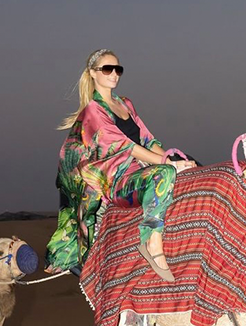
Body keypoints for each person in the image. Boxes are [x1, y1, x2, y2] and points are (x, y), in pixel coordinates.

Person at [45, 49, 195, 281]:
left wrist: (175, 160)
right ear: (93, 73)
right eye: (107, 69)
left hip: (141, 168)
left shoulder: (125, 104)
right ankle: (152, 242)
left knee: (189, 167)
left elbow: (147, 139)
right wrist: (167, 165)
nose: (114, 74)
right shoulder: (93, 111)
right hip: (117, 180)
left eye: (118, 69)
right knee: (164, 174)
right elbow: (126, 146)